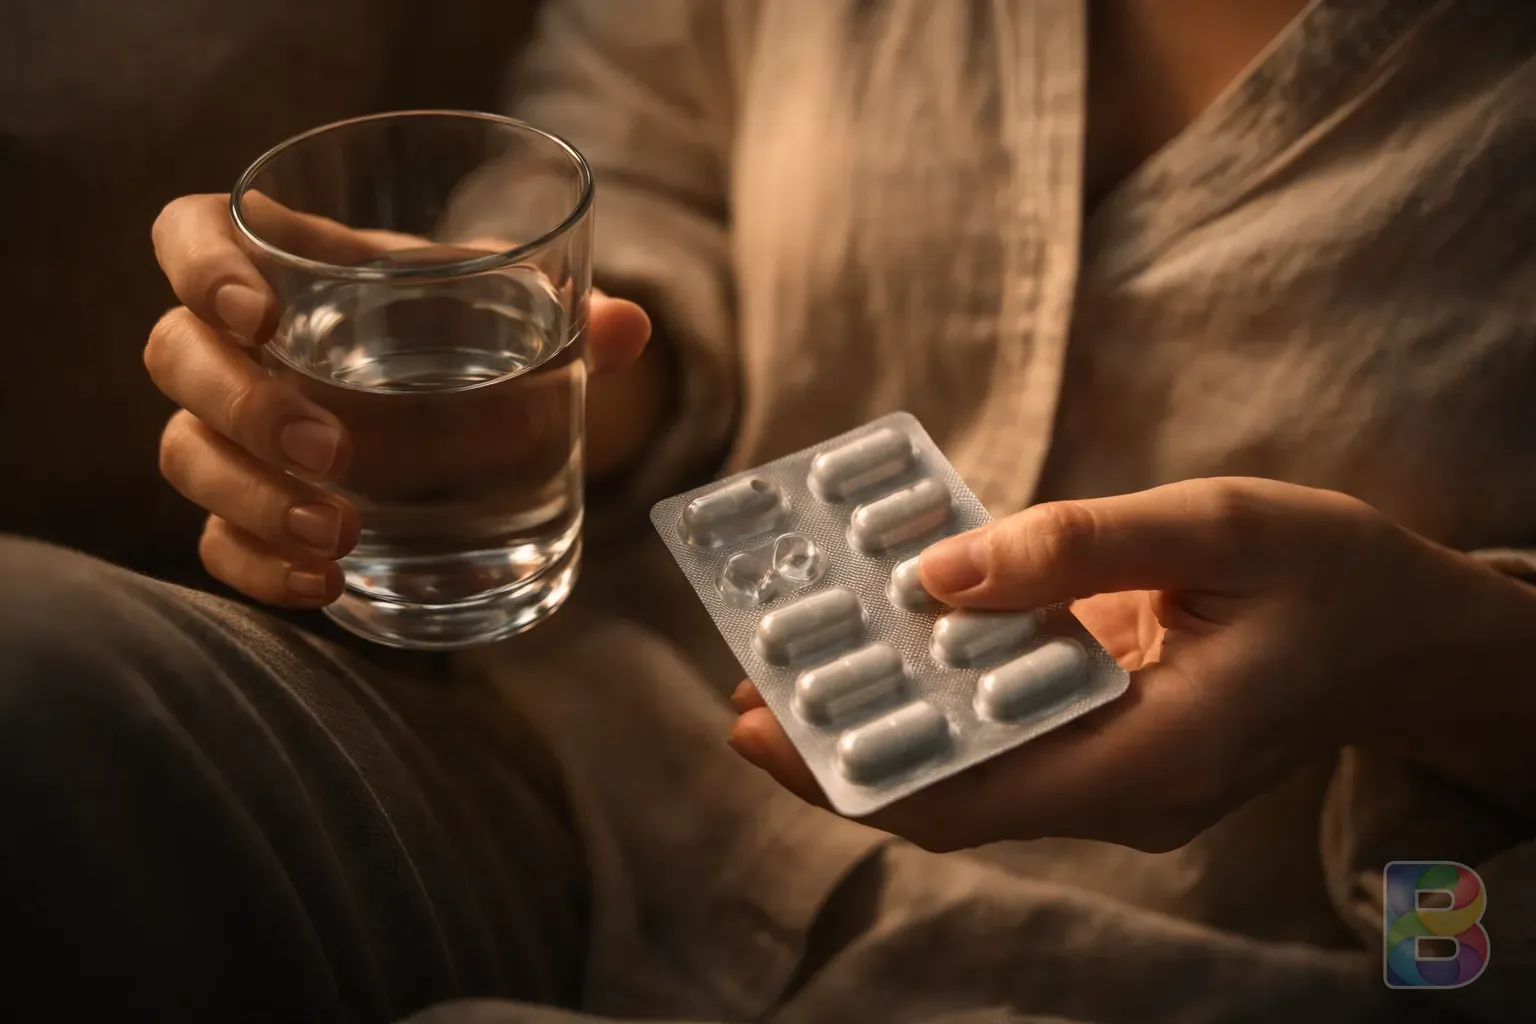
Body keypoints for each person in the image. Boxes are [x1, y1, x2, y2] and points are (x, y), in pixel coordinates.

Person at [3, 0, 1533, 1020]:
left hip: (1285, 957)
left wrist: (1443, 663)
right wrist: (557, 386)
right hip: (594, 771)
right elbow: (630, 131)